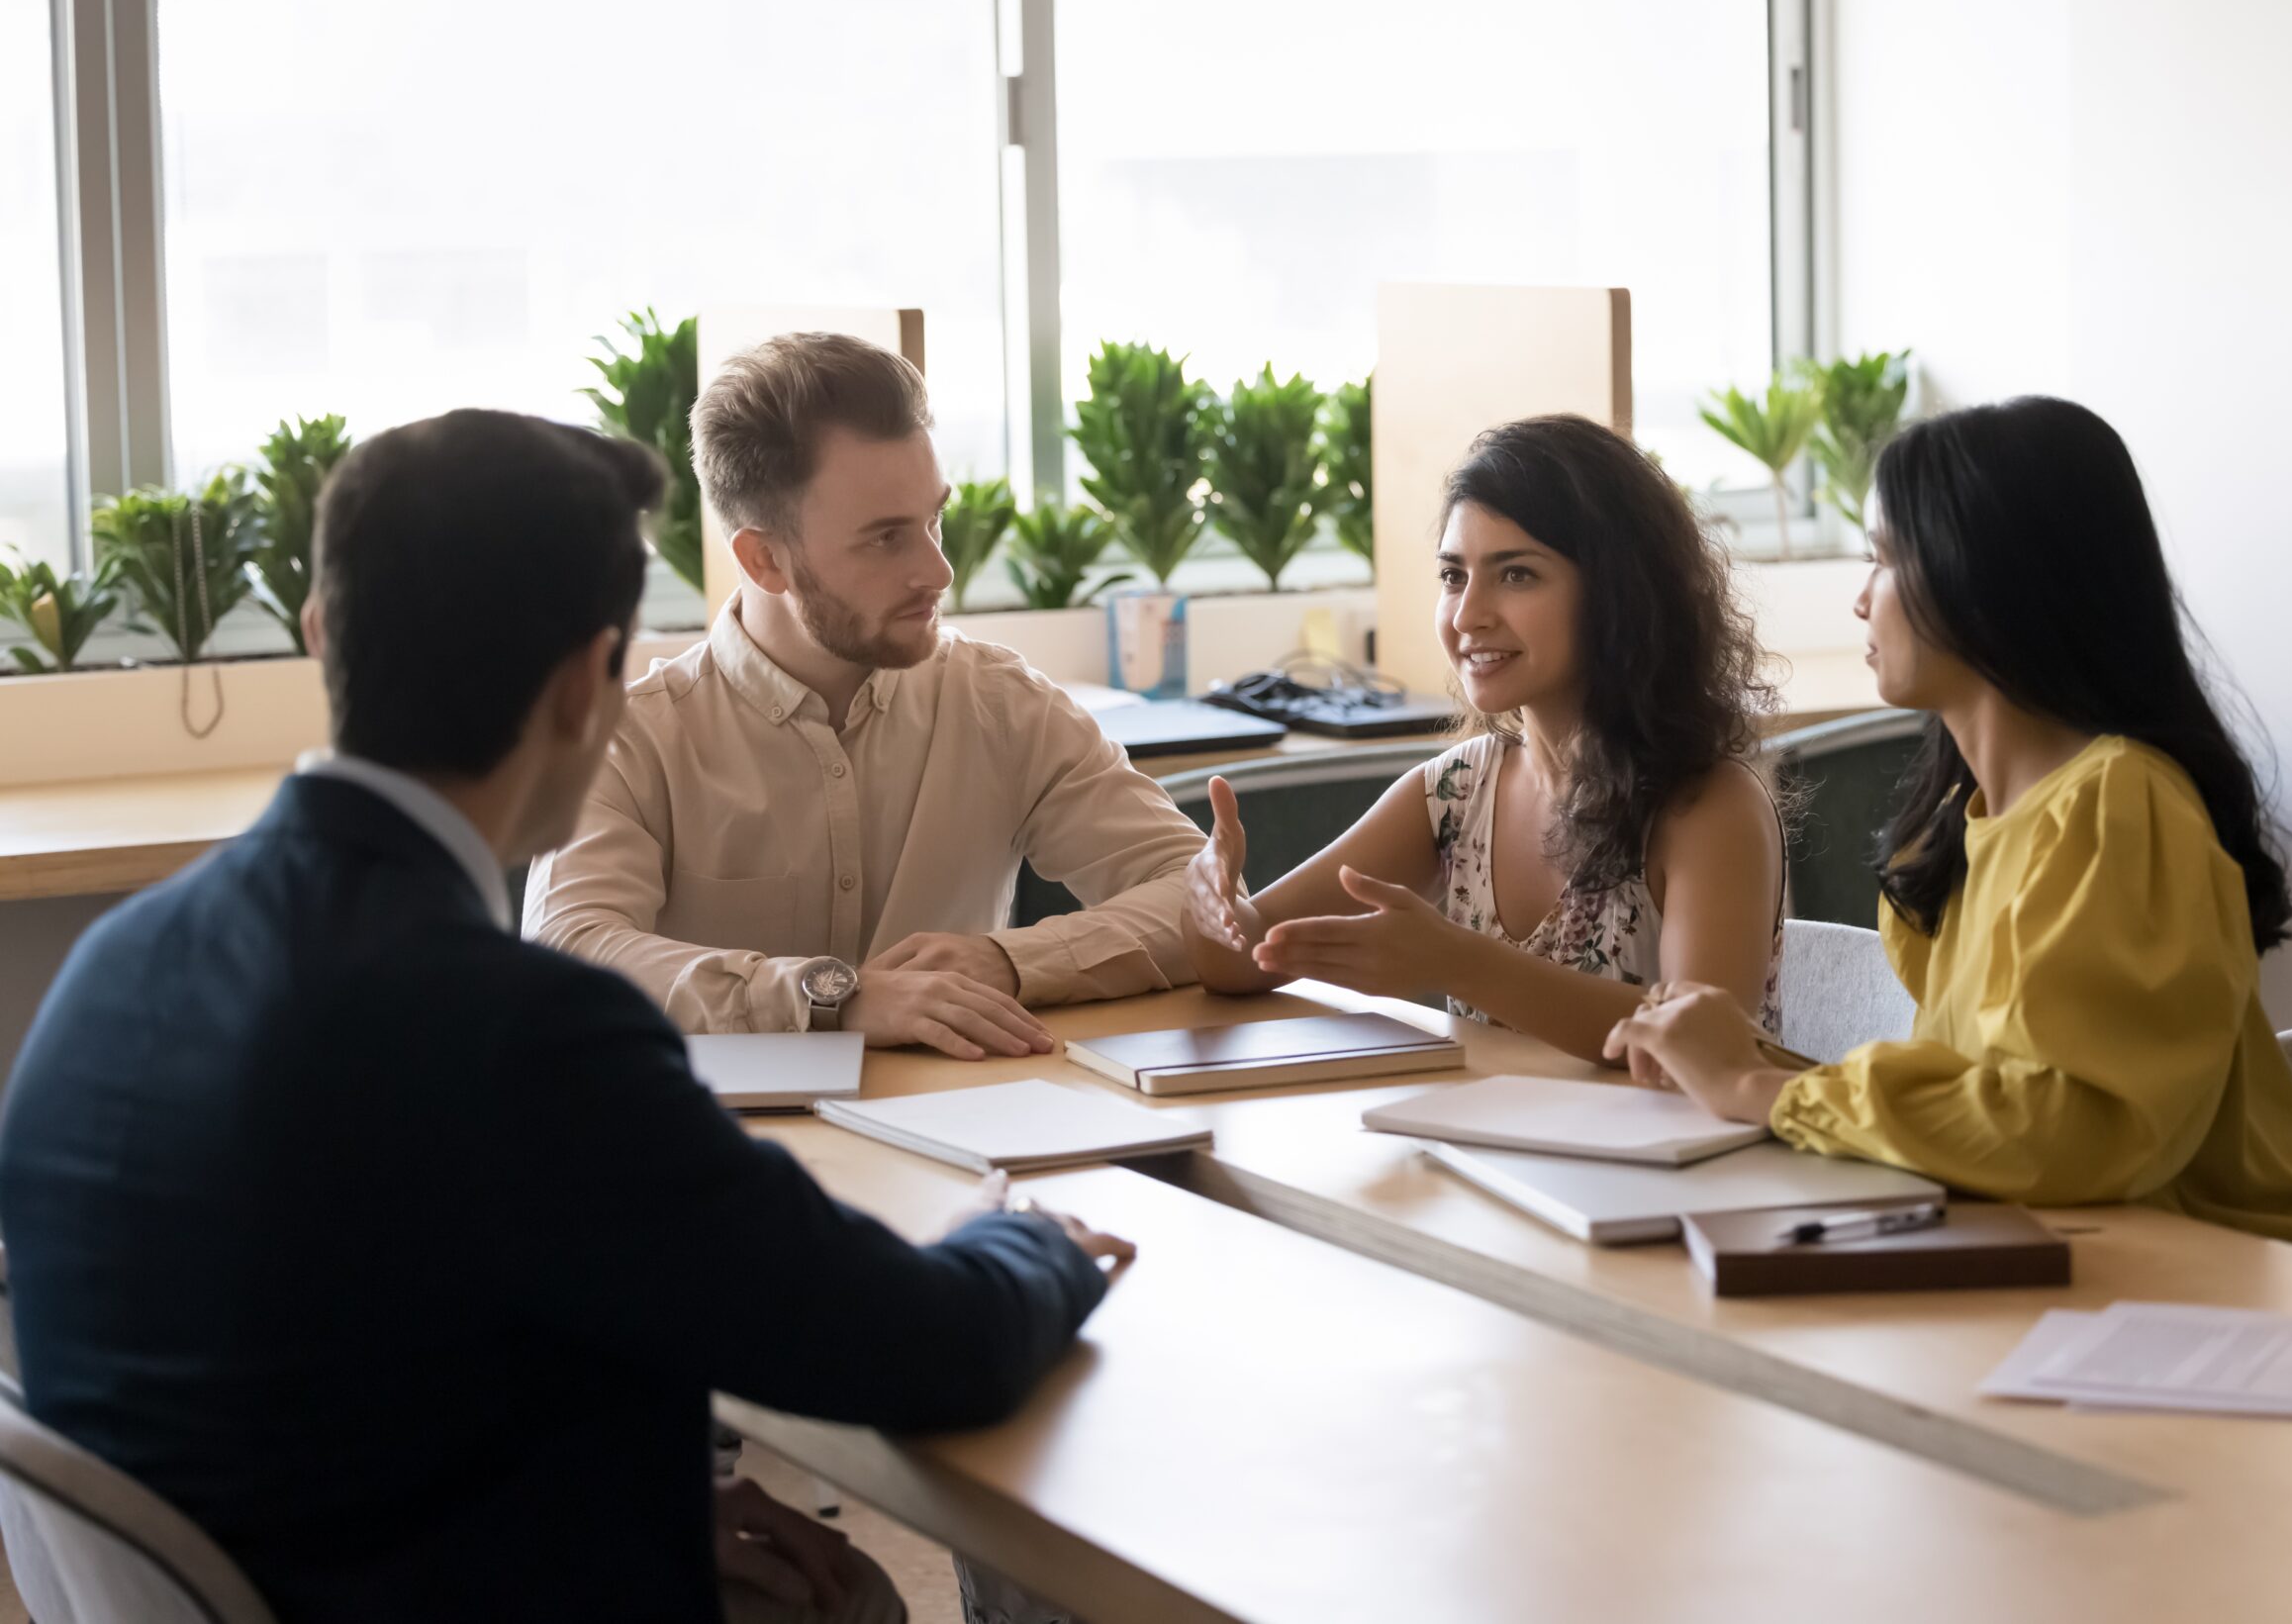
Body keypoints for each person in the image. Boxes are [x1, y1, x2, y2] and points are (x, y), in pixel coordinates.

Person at [0, 410, 1132, 1623]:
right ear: (589, 684)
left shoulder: (117, 963)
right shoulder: (516, 1034)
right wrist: (1032, 1240)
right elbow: (924, 1350)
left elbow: (299, 1356)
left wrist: (631, 1494)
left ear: (324, 634)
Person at [1604, 396, 2292, 1254]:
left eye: (1881, 558)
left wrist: (1756, 1086)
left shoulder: (2117, 805)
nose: (1859, 601)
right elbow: (1988, 1109)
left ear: (1980, 575)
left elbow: (2068, 1131)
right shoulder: (1960, 826)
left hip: (2218, 1285)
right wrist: (1743, 1062)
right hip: (2062, 1253)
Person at [525, 333, 1208, 1049]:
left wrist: (1008, 961)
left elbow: (1199, 897)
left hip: (966, 1138)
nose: (939, 571)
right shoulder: (633, 739)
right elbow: (568, 955)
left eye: (934, 519)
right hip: (715, 1146)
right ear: (764, 560)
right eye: (887, 539)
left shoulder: (1000, 704)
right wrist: (828, 999)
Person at [1183, 413, 1786, 1063]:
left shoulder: (1706, 805)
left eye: (1516, 574)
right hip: (1492, 1158)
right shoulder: (1454, 792)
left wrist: (1461, 963)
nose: (1469, 614)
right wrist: (1209, 903)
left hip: (1687, 1166)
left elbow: (1702, 1045)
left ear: (1619, 595)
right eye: (1453, 576)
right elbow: (1247, 960)